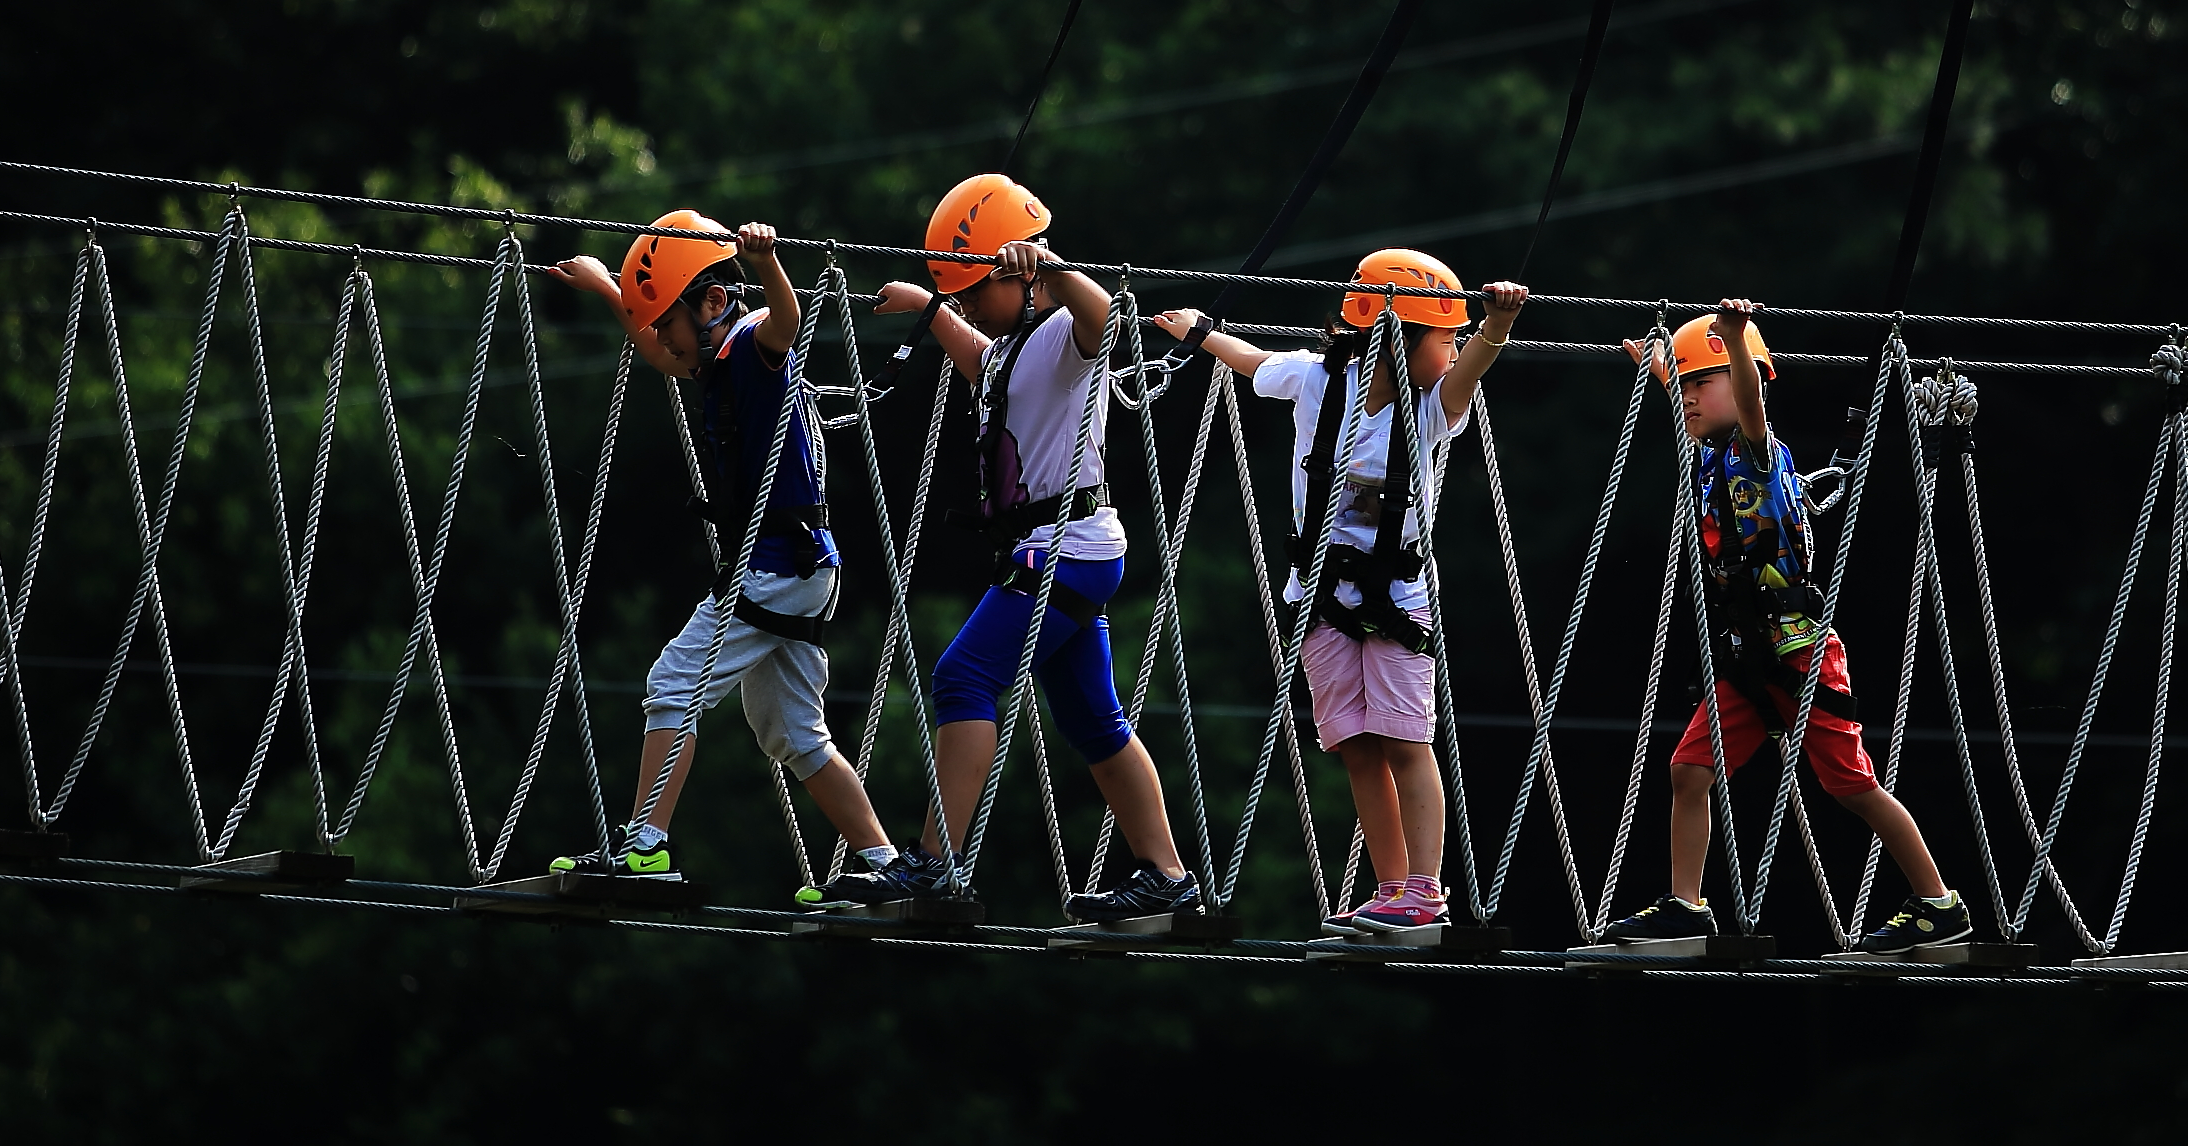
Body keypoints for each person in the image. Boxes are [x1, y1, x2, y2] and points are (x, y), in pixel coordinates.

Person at [543, 210, 911, 907]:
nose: (663, 340)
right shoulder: (709, 353)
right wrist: (607, 292)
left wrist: (767, 261)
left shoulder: (749, 344)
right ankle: (883, 862)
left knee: (673, 683)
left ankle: (644, 845)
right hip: (798, 567)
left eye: (670, 322)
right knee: (793, 732)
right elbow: (657, 354)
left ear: (714, 303)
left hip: (780, 562)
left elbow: (787, 323)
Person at [1158, 251, 1526, 935]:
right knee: (1355, 744)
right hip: (1321, 597)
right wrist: (1199, 331)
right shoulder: (1315, 380)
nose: (1450, 352)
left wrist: (1494, 325)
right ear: (1394, 336)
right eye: (1441, 337)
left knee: (1404, 739)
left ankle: (1424, 889)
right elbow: (1252, 362)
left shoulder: (1433, 405)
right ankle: (1390, 887)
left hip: (1396, 599)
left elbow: (1471, 367)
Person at [871, 173, 1200, 924]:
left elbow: (1108, 316)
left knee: (961, 677)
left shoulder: (1063, 336)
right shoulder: (1013, 350)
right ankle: (1167, 878)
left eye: (972, 291)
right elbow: (978, 358)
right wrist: (927, 305)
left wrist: (1049, 264)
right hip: (1061, 549)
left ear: (1019, 278)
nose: (963, 306)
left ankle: (933, 863)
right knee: (1092, 719)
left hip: (1067, 547)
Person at [1597, 298, 1973, 954]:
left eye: (1698, 384)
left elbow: (1743, 396)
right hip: (1746, 657)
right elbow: (1702, 400)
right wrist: (1662, 371)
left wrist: (1736, 341)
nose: (1686, 398)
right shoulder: (1709, 454)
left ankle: (1938, 902)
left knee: (1851, 786)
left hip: (1798, 654)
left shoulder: (1757, 451)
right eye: (1680, 388)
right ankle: (1686, 904)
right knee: (1688, 771)